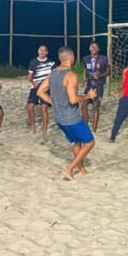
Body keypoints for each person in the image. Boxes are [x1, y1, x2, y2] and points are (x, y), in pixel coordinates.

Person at [37, 47, 97, 180]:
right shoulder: (71, 75)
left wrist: (54, 103)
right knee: (90, 143)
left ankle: (82, 170)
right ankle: (69, 170)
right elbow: (73, 99)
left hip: (59, 118)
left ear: (60, 58)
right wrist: (88, 96)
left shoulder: (52, 74)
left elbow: (40, 92)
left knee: (77, 142)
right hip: (72, 118)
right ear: (72, 57)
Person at [81, 41, 110, 132]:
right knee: (84, 103)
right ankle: (85, 126)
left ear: (98, 49)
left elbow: (109, 71)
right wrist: (85, 78)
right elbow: (85, 69)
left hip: (99, 85)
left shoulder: (104, 59)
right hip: (89, 85)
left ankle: (94, 129)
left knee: (95, 105)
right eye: (91, 46)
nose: (93, 48)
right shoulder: (85, 58)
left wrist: (100, 75)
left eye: (95, 47)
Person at [27, 45, 55, 134]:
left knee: (44, 107)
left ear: (47, 52)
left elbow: (54, 75)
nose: (42, 52)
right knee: (30, 107)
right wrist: (33, 82)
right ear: (38, 51)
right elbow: (29, 76)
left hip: (46, 87)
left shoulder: (51, 62)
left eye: (44, 50)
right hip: (35, 86)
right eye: (40, 50)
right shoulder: (33, 62)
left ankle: (44, 129)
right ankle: (33, 126)